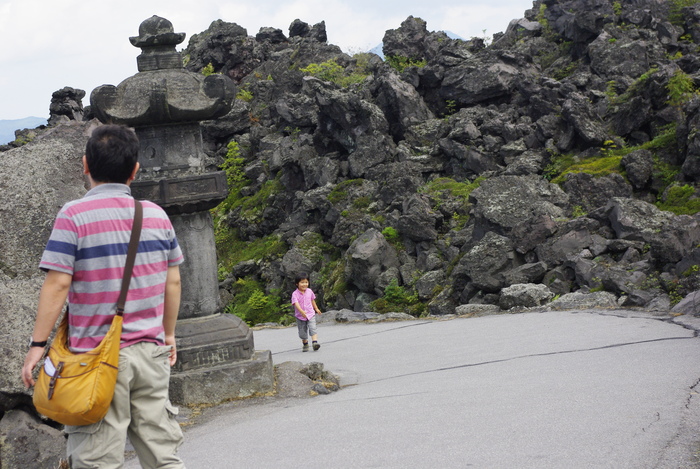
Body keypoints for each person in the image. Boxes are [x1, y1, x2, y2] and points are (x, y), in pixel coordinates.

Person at [21, 124, 186, 469]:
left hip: (96, 357)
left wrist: (38, 346)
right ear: (135, 170)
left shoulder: (74, 215)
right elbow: (173, 281)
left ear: (85, 165)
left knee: (96, 459)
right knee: (163, 454)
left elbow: (57, 285)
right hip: (151, 353)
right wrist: (168, 335)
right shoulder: (155, 215)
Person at [291, 272, 322, 352]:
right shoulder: (295, 294)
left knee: (313, 328)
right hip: (300, 316)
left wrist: (316, 309)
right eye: (302, 282)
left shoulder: (309, 291)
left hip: (310, 313)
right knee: (302, 332)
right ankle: (305, 344)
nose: (304, 284)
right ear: (297, 284)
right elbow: (296, 304)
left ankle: (315, 343)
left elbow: (312, 300)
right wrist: (301, 311)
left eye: (306, 282)